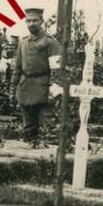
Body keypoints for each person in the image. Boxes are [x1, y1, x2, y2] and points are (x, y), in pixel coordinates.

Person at [10, 8, 61, 147]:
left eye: (35, 20)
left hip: (43, 88)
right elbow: (17, 68)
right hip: (25, 87)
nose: (31, 24)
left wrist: (53, 89)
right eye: (28, 21)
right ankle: (30, 148)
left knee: (50, 128)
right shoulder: (23, 42)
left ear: (42, 21)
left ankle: (51, 154)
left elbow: (56, 69)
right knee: (28, 127)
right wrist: (13, 89)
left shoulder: (51, 42)